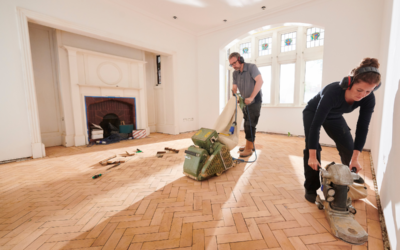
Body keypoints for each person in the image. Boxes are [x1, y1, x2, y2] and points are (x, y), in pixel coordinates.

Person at [303, 58, 381, 203]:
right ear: (349, 83)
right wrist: (312, 156)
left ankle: (349, 174)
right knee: (312, 149)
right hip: (313, 112)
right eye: (359, 90)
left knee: (348, 146)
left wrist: (355, 159)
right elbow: (316, 126)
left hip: (334, 115)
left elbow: (362, 127)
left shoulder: (369, 98)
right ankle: (310, 187)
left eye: (368, 91)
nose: (362, 95)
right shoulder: (333, 92)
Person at [229, 52, 263, 157]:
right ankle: (250, 144)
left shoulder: (251, 67)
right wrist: (235, 94)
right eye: (231, 64)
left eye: (234, 63)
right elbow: (234, 87)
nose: (233, 66)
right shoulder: (235, 73)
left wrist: (252, 97)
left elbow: (260, 81)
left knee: (250, 124)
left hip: (255, 100)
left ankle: (248, 149)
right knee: (246, 123)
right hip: (244, 101)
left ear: (241, 59)